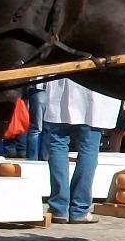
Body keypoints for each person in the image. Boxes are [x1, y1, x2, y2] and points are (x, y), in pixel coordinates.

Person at [42, 77, 120, 223]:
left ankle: (59, 207)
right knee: (88, 148)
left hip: (64, 85)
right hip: (95, 90)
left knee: (58, 145)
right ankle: (79, 208)